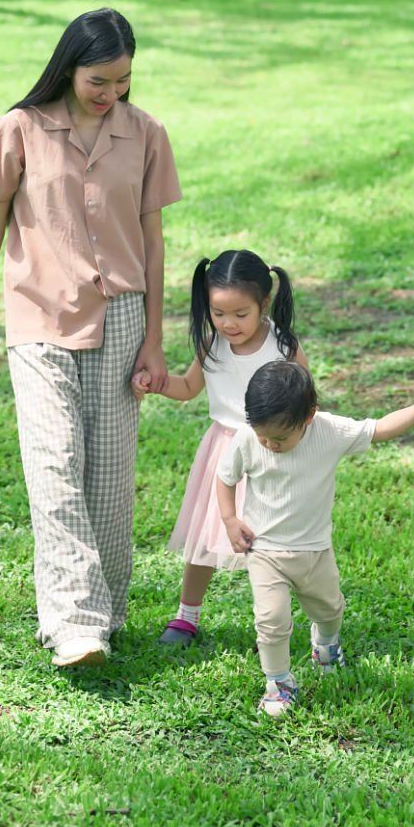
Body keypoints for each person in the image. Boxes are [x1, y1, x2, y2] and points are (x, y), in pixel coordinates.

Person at [0, 7, 181, 668]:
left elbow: (151, 242)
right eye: (97, 80)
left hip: (120, 318)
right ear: (68, 67)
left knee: (108, 481)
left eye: (121, 80)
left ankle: (106, 611)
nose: (109, 92)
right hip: (39, 320)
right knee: (54, 468)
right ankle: (72, 622)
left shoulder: (145, 134)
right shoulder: (19, 128)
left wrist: (153, 339)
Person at [217, 360, 414, 716]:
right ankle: (279, 683)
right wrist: (229, 518)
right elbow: (226, 477)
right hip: (264, 549)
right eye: (262, 435)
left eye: (280, 438)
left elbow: (377, 430)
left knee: (329, 609)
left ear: (309, 416)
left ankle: (326, 645)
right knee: (271, 619)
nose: (269, 444)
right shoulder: (246, 438)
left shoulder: (329, 431)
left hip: (314, 549)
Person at [134, 249, 310, 648]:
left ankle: (284, 616)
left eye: (241, 314)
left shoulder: (283, 346)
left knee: (274, 543)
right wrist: (156, 384)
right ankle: (186, 616)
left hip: (272, 453)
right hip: (224, 451)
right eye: (218, 313)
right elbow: (188, 388)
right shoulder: (212, 345)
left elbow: (306, 398)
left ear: (264, 304)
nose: (229, 324)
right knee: (205, 537)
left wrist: (297, 439)